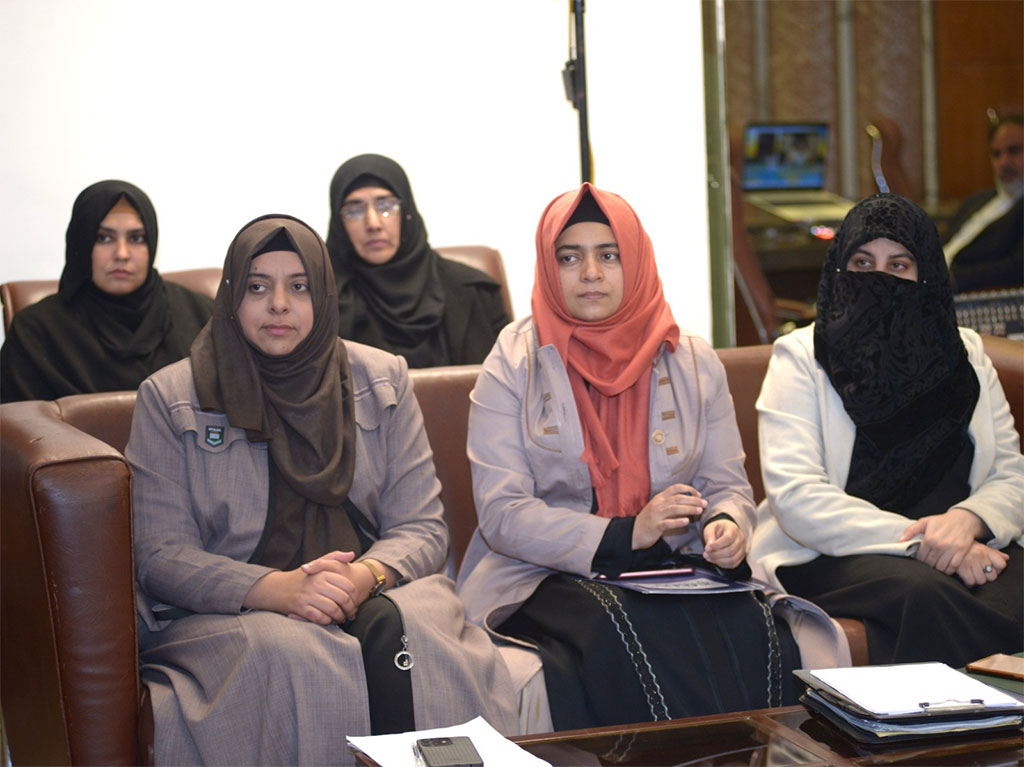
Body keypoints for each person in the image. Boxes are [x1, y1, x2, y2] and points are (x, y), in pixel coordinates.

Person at [126, 214, 516, 764]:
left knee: (416, 634)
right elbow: (160, 556)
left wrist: (363, 577)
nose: (279, 304)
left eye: (299, 286)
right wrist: (276, 590)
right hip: (232, 613)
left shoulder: (381, 379)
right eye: (258, 287)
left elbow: (423, 527)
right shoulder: (170, 397)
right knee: (293, 653)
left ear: (325, 295)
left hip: (373, 587)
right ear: (231, 296)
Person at [456, 184, 842, 733]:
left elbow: (727, 484)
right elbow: (503, 514)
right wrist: (625, 534)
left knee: (750, 622)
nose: (590, 272)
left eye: (608, 254)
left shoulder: (690, 358)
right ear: (549, 265)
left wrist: (728, 524)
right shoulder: (513, 362)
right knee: (620, 624)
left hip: (678, 564)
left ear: (634, 261)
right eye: (570, 257)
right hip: (540, 575)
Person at [750, 193, 1024, 668]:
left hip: (966, 538)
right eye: (863, 263)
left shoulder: (967, 354)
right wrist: (926, 542)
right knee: (923, 595)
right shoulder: (800, 356)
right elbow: (797, 498)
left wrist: (966, 522)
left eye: (899, 265)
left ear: (927, 274)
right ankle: (943, 736)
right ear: (840, 269)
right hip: (835, 549)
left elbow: (1011, 473)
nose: (880, 279)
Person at [0, 180, 213, 402]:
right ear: (81, 245)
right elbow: (23, 427)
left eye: (136, 238)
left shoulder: (203, 316)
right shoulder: (36, 332)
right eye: (104, 238)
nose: (121, 254)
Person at [326, 154, 510, 367]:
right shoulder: (324, 303)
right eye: (355, 210)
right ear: (339, 224)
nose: (373, 223)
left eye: (385, 206)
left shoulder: (476, 292)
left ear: (407, 213)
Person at [943, 115, 1023, 292]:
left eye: (1014, 151)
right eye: (996, 154)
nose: (1003, 162)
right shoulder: (976, 200)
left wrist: (952, 279)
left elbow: (1017, 267)